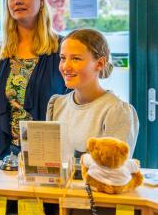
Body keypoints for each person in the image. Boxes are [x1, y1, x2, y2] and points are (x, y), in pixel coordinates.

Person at [0, 0, 66, 159]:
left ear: (41, 0)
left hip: (49, 153)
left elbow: (72, 104)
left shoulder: (61, 48)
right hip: (7, 153)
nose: (18, 1)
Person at [47, 28, 139, 157]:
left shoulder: (116, 111)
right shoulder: (57, 105)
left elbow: (113, 170)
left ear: (100, 63)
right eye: (63, 58)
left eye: (76, 59)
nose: (65, 66)